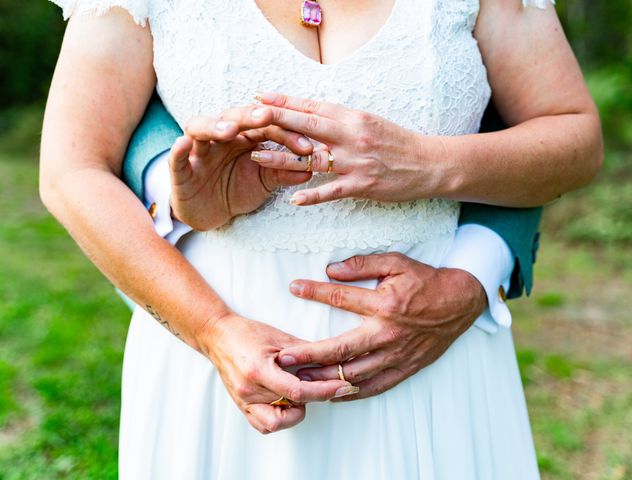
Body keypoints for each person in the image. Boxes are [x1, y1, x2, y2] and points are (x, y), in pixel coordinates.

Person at [40, 1, 602, 479]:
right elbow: (72, 170)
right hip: (214, 349)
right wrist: (211, 330)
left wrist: (430, 166)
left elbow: (573, 134)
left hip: (433, 353)